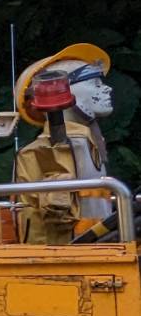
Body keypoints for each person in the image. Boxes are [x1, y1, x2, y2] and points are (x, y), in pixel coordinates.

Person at [13, 43, 116, 244]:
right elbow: (57, 216)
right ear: (61, 90)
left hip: (96, 253)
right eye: (95, 84)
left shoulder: (87, 143)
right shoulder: (47, 149)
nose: (107, 89)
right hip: (67, 259)